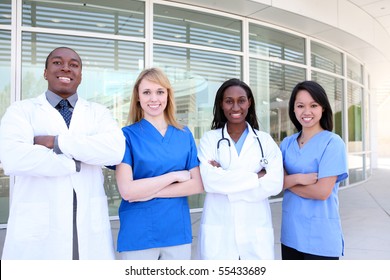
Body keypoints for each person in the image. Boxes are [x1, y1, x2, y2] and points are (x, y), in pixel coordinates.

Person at [0, 47, 126, 260]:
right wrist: (75, 162)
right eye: (57, 63)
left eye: (74, 65)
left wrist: (54, 142)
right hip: (39, 228)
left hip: (88, 224)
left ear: (81, 76)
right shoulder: (21, 110)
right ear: (45, 72)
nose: (66, 68)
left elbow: (115, 151)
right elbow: (13, 158)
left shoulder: (98, 112)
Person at [115, 67, 204, 260]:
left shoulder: (184, 134)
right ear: (137, 97)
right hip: (138, 232)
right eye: (147, 92)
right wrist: (173, 176)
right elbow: (127, 191)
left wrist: (148, 192)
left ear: (168, 95)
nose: (154, 98)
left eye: (160, 92)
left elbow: (197, 184)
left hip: (177, 231)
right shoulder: (125, 136)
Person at [197, 78, 283, 260]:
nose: (235, 107)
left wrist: (226, 181)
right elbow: (210, 181)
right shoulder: (209, 139)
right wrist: (257, 176)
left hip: (255, 231)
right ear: (221, 104)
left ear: (249, 102)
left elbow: (275, 184)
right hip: (219, 230)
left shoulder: (264, 140)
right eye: (229, 101)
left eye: (241, 100)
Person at [280, 80, 348, 260]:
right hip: (291, 233)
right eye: (300, 105)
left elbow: (322, 192)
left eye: (313, 105)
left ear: (323, 108)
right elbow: (273, 181)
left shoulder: (333, 143)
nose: (306, 111)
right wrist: (299, 179)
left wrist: (287, 182)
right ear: (293, 109)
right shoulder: (287, 144)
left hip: (321, 237)